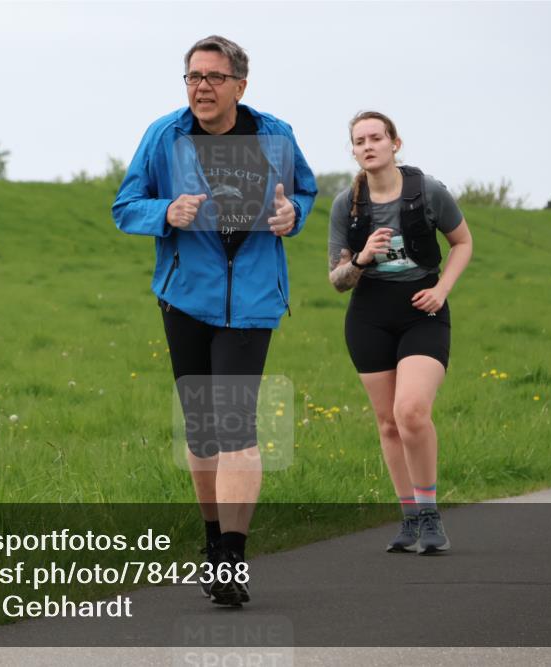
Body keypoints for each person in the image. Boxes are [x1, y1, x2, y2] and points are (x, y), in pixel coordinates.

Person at [112, 35, 317, 605]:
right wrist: (165, 212)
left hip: (251, 301)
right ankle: (212, 540)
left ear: (240, 86)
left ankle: (231, 555)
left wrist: (289, 214)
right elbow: (125, 205)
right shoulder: (165, 135)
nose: (202, 87)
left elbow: (304, 191)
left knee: (235, 424)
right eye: (193, 77)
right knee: (202, 431)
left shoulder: (274, 133)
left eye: (214, 78)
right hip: (186, 298)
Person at [329, 111, 472, 554]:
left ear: (395, 143)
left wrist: (442, 289)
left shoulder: (428, 191)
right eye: (360, 140)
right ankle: (408, 517)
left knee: (410, 410)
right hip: (369, 316)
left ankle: (430, 515)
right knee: (388, 422)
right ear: (353, 151)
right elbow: (337, 281)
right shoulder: (346, 205)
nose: (368, 145)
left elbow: (462, 242)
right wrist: (362, 258)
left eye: (376, 137)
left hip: (422, 311)